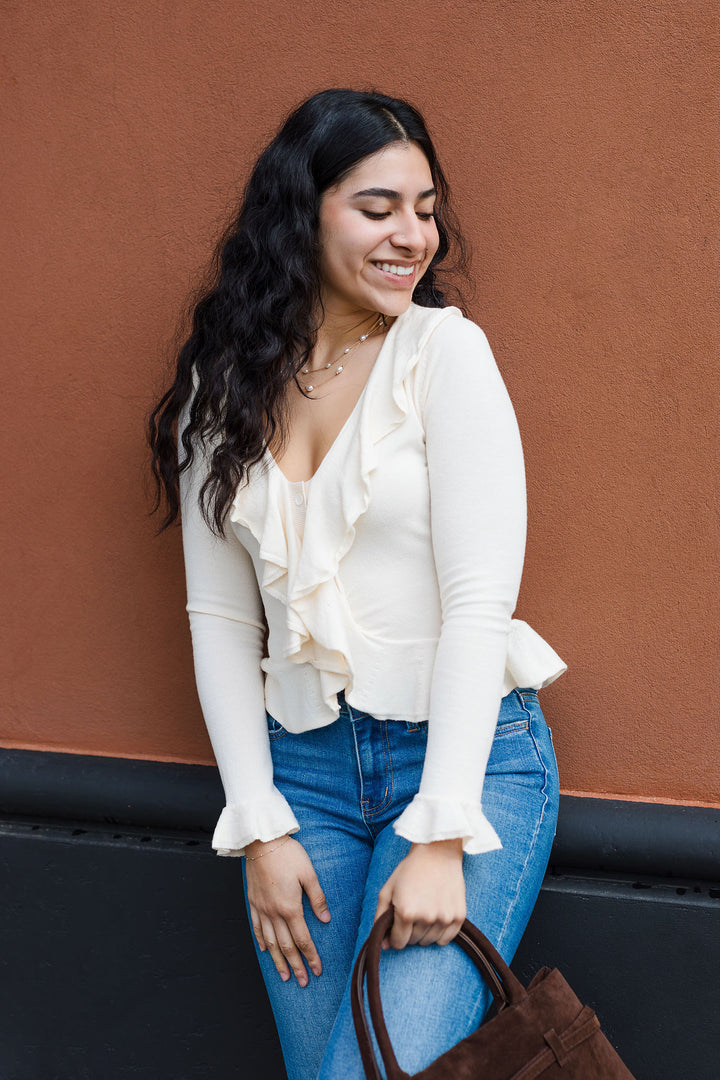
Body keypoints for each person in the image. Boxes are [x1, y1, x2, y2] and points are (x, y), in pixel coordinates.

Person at [149, 88, 566, 1080]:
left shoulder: (444, 355)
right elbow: (216, 620)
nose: (412, 235)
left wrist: (442, 834)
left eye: (426, 209)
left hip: (466, 765)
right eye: (378, 208)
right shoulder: (223, 388)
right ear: (304, 212)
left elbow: (476, 608)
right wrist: (258, 825)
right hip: (305, 784)